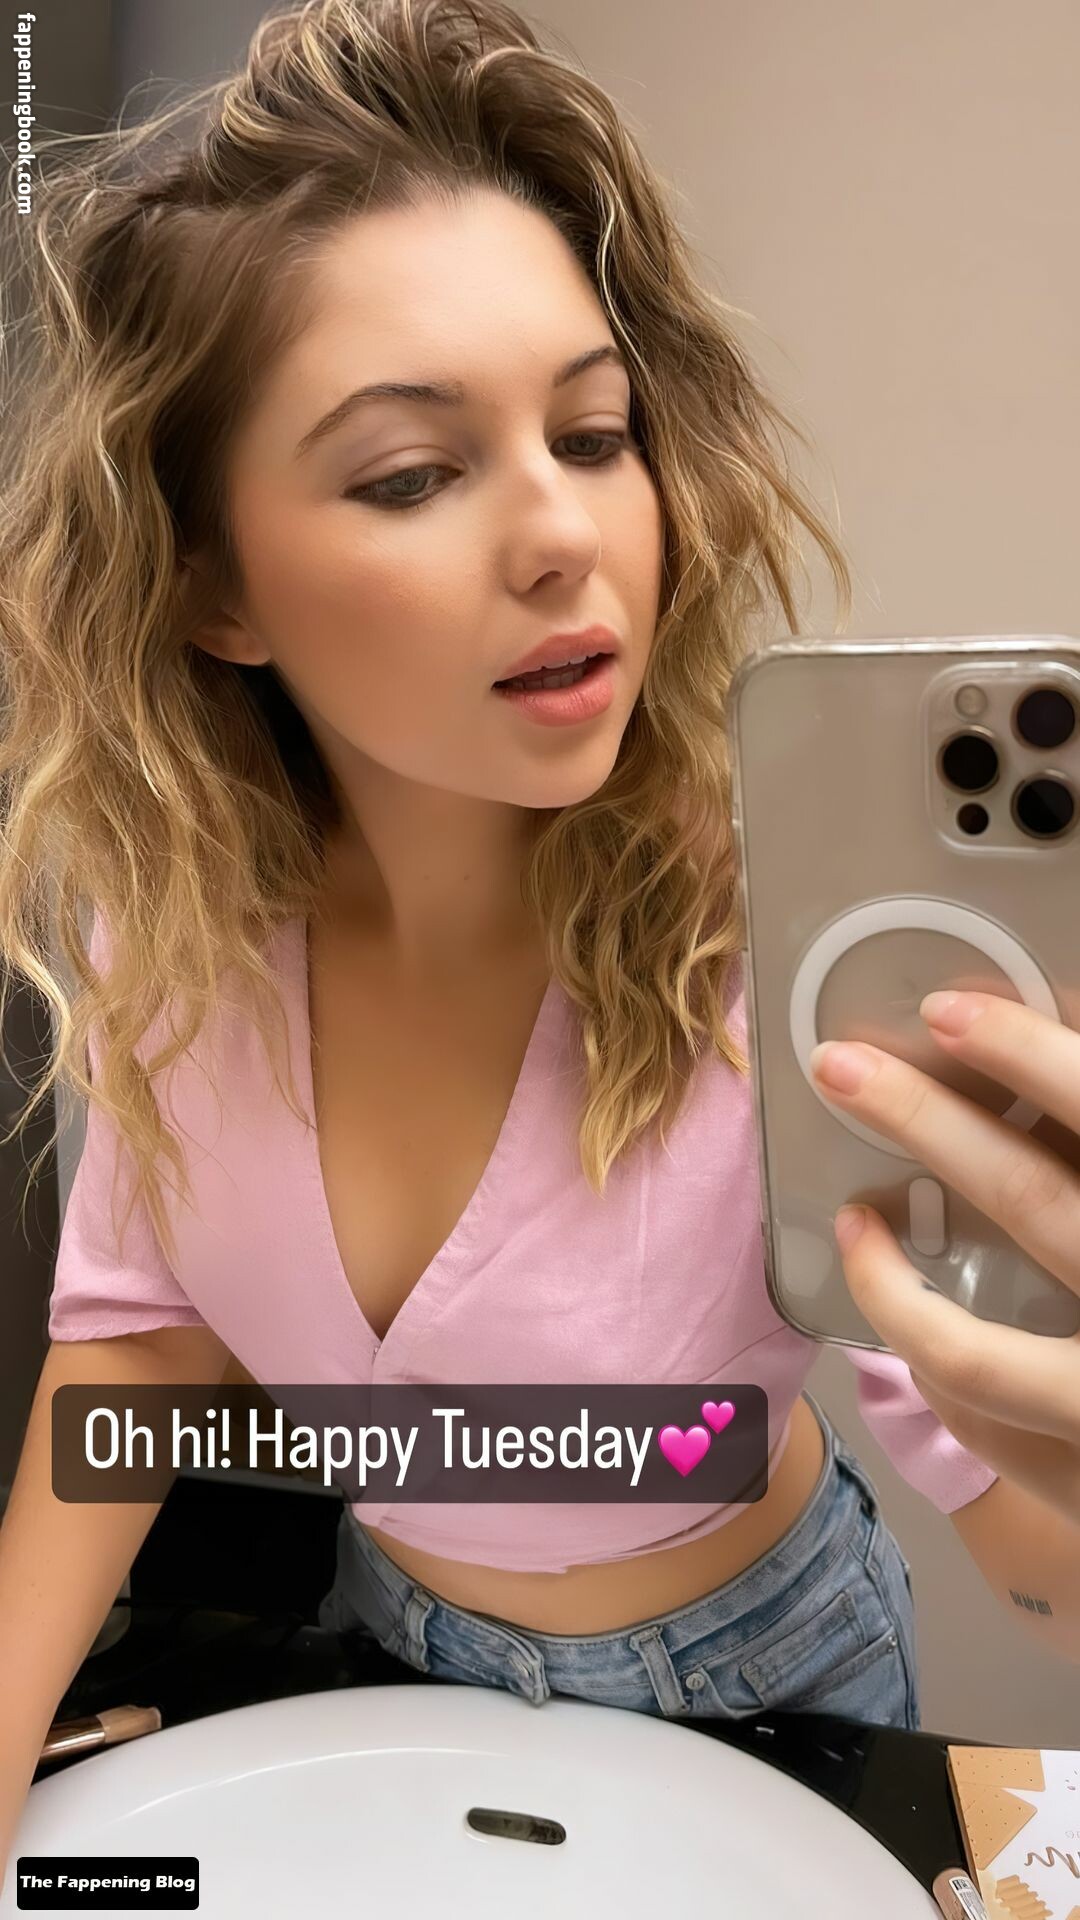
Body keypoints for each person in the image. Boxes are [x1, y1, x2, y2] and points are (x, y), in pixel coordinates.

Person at [1, 3, 1078, 1878]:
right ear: (213, 583)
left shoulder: (780, 956)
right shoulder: (167, 931)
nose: (566, 531)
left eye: (594, 434)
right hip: (391, 1646)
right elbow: (144, 1331)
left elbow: (1028, 1535)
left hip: (769, 1682)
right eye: (414, 472)